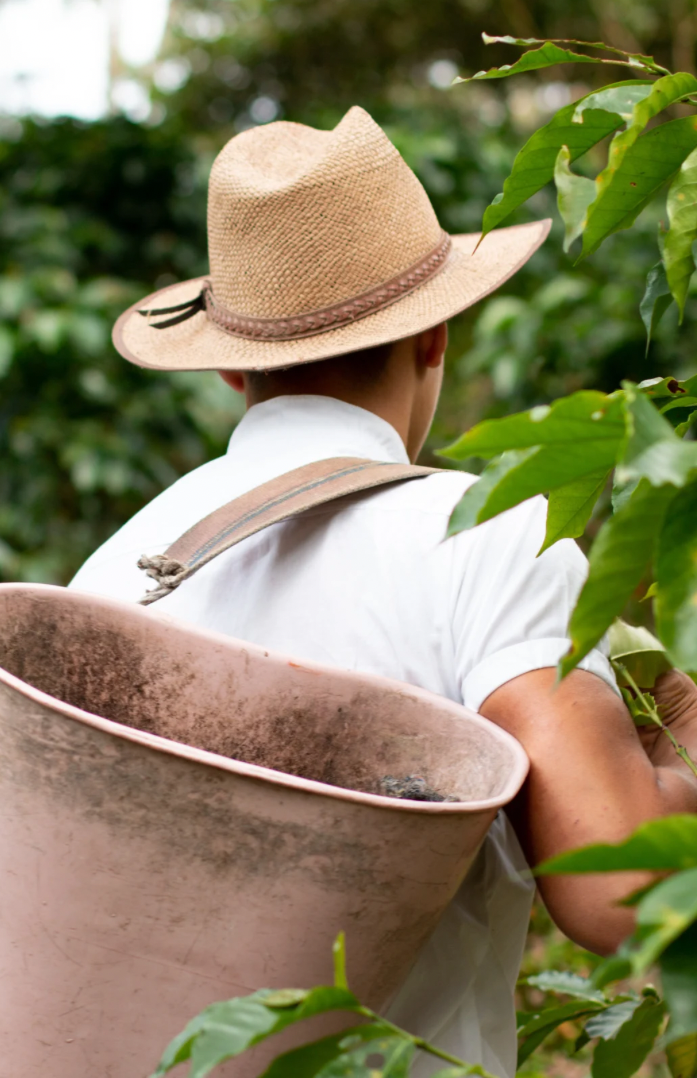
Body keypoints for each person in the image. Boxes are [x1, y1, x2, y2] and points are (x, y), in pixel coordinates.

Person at [68, 106, 697, 1077]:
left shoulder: (106, 577)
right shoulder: (488, 533)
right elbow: (619, 889)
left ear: (232, 360)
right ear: (436, 335)